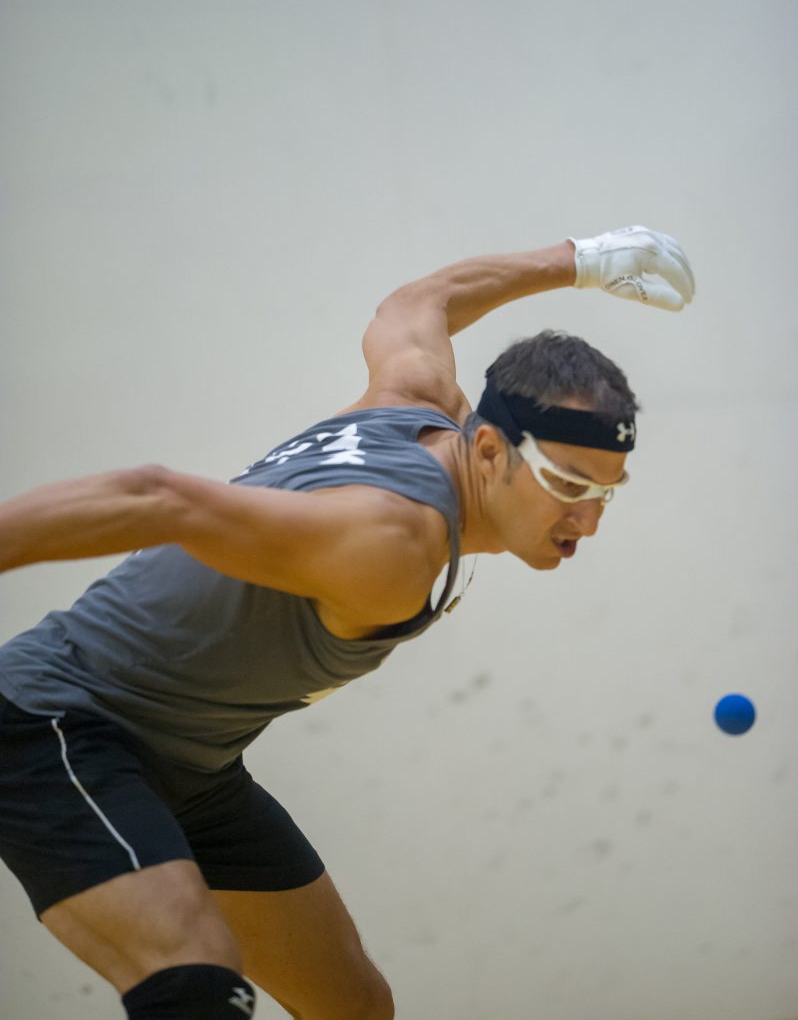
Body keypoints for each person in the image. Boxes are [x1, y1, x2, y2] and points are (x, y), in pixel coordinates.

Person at [0, 226, 694, 1020]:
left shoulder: (418, 397)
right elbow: (155, 497)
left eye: (605, 491)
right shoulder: (391, 542)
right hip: (56, 721)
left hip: (195, 764)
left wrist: (584, 260)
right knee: (195, 986)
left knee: (353, 1007)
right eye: (569, 483)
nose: (589, 520)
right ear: (489, 451)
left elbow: (421, 301)